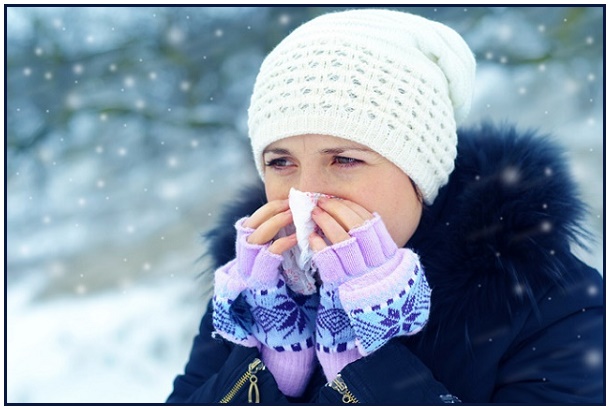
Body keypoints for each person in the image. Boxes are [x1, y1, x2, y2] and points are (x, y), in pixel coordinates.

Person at [166, 8, 603, 404]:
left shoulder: (551, 303)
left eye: (345, 159)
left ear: (419, 173)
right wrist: (267, 372)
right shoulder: (254, 294)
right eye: (281, 162)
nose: (307, 193)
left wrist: (368, 365)